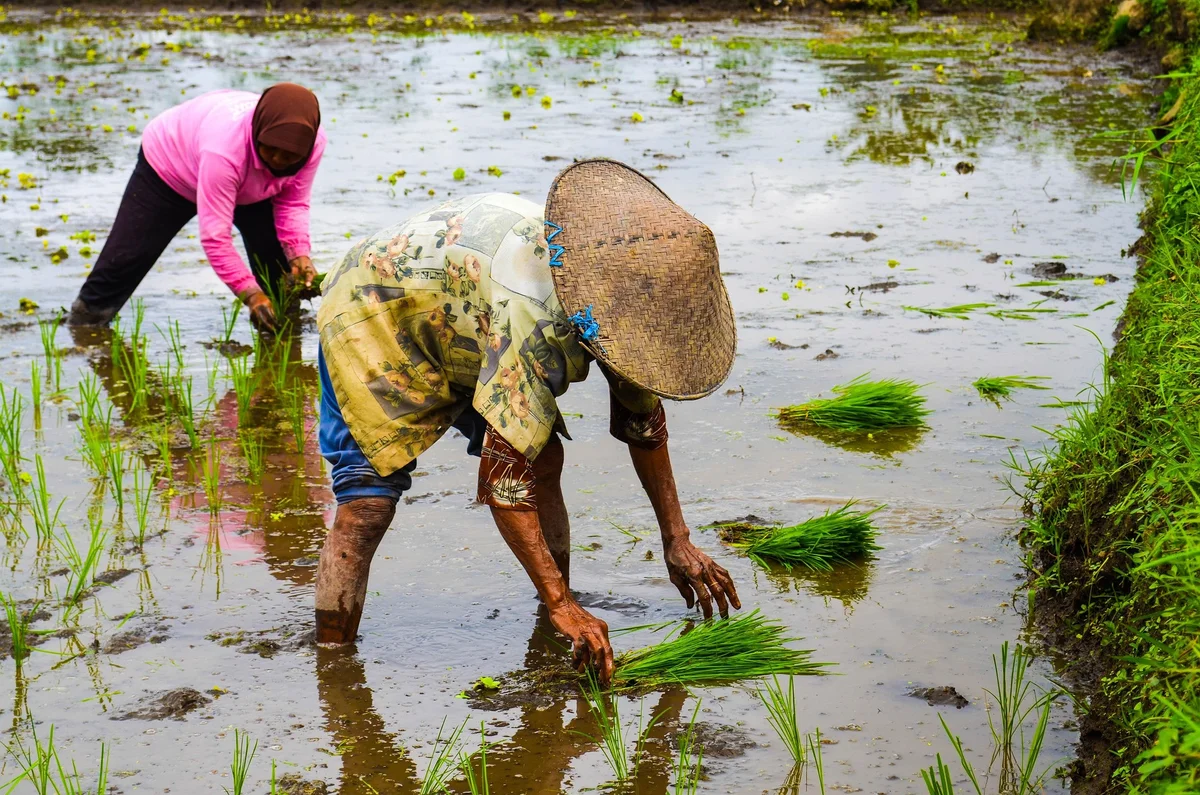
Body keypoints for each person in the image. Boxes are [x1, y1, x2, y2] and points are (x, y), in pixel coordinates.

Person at [314, 159, 741, 683]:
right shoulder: (537, 318)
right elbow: (502, 482)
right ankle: (332, 665)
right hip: (376, 304)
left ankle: (555, 621)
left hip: (470, 304)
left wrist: (677, 539)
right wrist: (563, 601)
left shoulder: (629, 306)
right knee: (366, 508)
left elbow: (643, 423)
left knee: (543, 458)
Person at [67, 83, 325, 330]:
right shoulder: (224, 151)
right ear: (258, 130)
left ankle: (283, 336)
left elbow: (293, 202)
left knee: (280, 274)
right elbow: (216, 238)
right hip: (171, 169)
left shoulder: (311, 145)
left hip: (252, 185)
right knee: (124, 261)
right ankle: (84, 327)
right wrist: (250, 294)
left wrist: (299, 253)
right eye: (270, 149)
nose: (279, 161)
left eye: (290, 156)